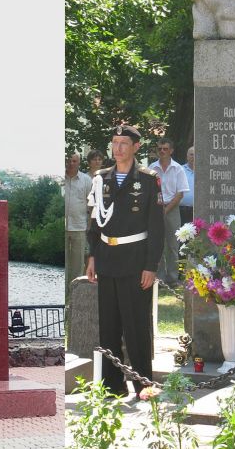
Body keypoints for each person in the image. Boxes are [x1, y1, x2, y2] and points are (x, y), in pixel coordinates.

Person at [86, 125, 164, 397]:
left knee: (136, 326)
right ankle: (112, 386)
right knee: (108, 326)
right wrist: (92, 255)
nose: (117, 148)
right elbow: (95, 222)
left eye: (123, 143)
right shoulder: (101, 179)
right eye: (115, 143)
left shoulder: (147, 179)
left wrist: (151, 265)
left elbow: (156, 227)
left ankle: (144, 385)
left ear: (136, 147)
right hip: (107, 257)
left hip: (135, 260)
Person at [148, 137, 189, 286]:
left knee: (172, 245)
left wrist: (166, 210)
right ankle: (159, 278)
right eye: (160, 149)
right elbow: (149, 191)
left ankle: (172, 278)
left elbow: (180, 193)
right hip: (154, 209)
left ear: (171, 151)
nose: (162, 151)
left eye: (165, 148)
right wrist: (157, 210)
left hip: (172, 209)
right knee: (157, 244)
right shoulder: (152, 168)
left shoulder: (178, 168)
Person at [65, 153, 92, 297]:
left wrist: (90, 225)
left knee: (77, 264)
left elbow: (91, 205)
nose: (71, 163)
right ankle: (62, 292)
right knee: (64, 263)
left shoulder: (86, 180)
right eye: (69, 160)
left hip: (80, 226)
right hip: (62, 227)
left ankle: (74, 293)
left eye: (74, 161)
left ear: (79, 163)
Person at [179, 146, 195, 225]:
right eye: (191, 154)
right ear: (187, 156)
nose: (193, 157)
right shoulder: (180, 170)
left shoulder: (204, 171)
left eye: (196, 155)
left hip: (199, 210)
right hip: (182, 210)